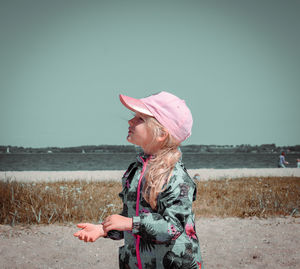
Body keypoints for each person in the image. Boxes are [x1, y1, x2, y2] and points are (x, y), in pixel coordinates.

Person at [74, 91, 203, 268]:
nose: (130, 121)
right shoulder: (136, 170)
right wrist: (103, 229)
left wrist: (129, 223)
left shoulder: (176, 176)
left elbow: (172, 227)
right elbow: (130, 219)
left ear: (161, 134)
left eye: (140, 119)